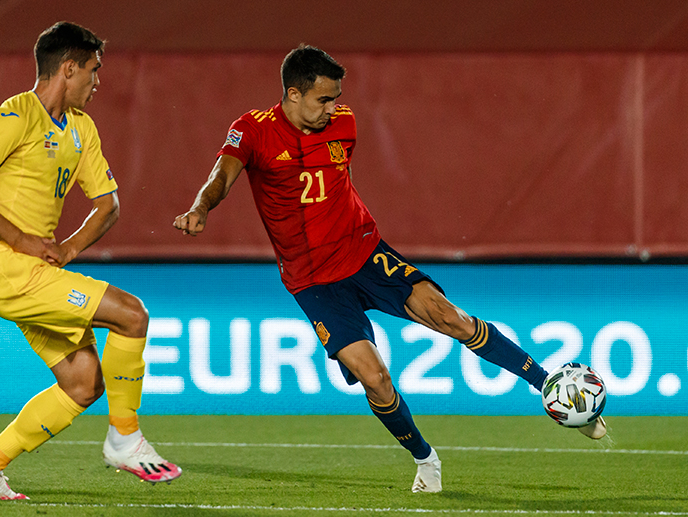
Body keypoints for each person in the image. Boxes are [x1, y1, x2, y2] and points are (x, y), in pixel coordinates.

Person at [174, 44, 606, 494]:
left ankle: (549, 387)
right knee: (375, 378)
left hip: (364, 253)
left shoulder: (344, 123)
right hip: (312, 280)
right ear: (293, 94)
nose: (332, 108)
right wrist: (201, 207)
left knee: (450, 317)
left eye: (337, 97)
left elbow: (340, 182)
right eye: (323, 99)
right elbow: (222, 175)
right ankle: (425, 458)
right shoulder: (253, 130)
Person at [0, 21, 181, 500]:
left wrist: (68, 249)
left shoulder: (81, 128)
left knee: (84, 383)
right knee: (132, 314)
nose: (98, 81)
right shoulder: (15, 115)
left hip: (38, 271)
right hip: (6, 267)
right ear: (67, 69)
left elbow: (107, 204)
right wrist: (20, 238)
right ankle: (125, 440)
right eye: (93, 70)